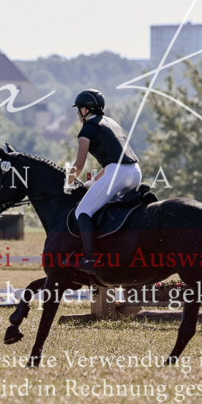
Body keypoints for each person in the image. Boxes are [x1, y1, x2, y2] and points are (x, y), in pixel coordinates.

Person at [66, 89, 141, 273]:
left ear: (86, 109)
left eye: (80, 108)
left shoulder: (88, 129)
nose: (78, 112)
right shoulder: (111, 123)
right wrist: (91, 183)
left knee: (83, 211)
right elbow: (112, 162)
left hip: (117, 173)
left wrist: (68, 182)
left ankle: (91, 259)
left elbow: (79, 164)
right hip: (135, 172)